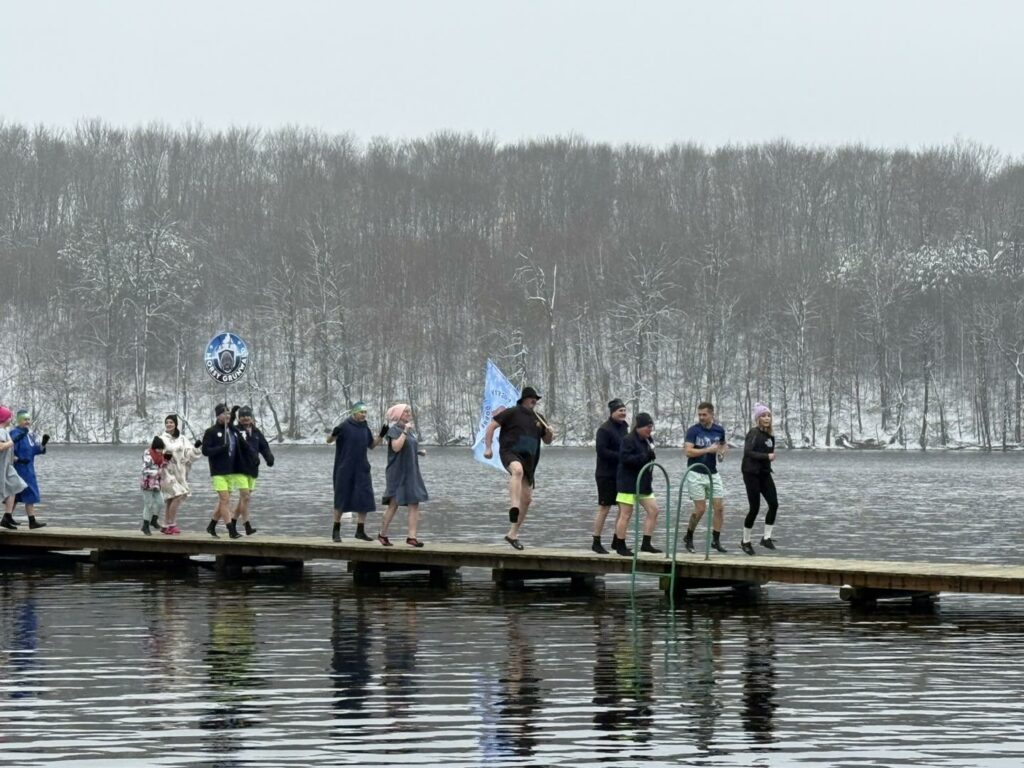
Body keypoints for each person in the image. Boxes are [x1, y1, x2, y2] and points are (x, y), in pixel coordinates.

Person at [482, 386, 555, 550]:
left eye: (536, 399)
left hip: (530, 460)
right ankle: (514, 506)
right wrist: (488, 447)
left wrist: (550, 432)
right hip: (510, 452)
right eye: (532, 398)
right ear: (524, 399)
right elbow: (491, 426)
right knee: (517, 470)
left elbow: (548, 440)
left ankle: (512, 534)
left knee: (528, 499)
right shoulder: (512, 412)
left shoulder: (539, 418)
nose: (534, 401)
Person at [327, 401, 383, 543]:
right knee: (341, 498)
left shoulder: (365, 428)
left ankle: (360, 531)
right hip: (345, 468)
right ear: (354, 413)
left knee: (364, 498)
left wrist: (382, 435)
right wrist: (333, 434)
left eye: (365, 412)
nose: (364, 415)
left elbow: (371, 445)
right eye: (361, 412)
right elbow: (329, 441)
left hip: (361, 468)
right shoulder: (345, 426)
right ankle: (336, 531)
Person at [378, 403, 429, 547]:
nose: (408, 413)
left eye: (409, 411)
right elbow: (396, 447)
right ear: (399, 415)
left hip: (411, 471)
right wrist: (405, 431)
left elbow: (408, 447)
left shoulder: (410, 431)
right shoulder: (394, 430)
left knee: (414, 502)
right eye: (405, 412)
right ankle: (382, 533)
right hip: (397, 472)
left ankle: (411, 537)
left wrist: (419, 452)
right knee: (394, 504)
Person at [612, 412, 661, 556]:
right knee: (626, 514)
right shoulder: (628, 440)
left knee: (654, 510)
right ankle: (620, 544)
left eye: (651, 427)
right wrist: (645, 456)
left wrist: (650, 455)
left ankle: (646, 543)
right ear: (639, 426)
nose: (649, 430)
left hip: (644, 482)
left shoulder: (648, 439)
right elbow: (625, 459)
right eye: (647, 427)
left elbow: (649, 456)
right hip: (627, 483)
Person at [682, 401, 728, 553]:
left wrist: (721, 453)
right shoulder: (693, 431)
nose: (701, 417)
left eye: (704, 414)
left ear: (711, 414)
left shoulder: (719, 430)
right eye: (699, 414)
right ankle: (689, 536)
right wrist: (708, 450)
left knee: (719, 508)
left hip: (712, 473)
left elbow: (722, 444)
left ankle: (716, 540)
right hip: (696, 472)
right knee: (700, 509)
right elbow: (688, 452)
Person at [741, 403, 778, 555]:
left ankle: (766, 537)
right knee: (754, 508)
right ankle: (745, 541)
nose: (766, 418)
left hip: (764, 473)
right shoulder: (753, 433)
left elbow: (767, 453)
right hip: (751, 473)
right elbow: (748, 452)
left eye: (768, 415)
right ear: (757, 419)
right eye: (763, 416)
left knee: (774, 504)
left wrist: (768, 461)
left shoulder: (770, 436)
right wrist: (766, 456)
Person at [591, 398, 628, 554]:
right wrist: (621, 456)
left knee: (623, 507)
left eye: (625, 411)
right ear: (613, 412)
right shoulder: (604, 430)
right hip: (605, 474)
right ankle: (596, 541)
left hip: (621, 474)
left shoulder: (624, 427)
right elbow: (601, 451)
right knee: (604, 507)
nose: (623, 413)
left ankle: (617, 540)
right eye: (620, 411)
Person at [232, 405, 274, 538]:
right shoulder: (235, 431)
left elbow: (264, 446)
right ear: (239, 418)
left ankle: (232, 523)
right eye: (242, 416)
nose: (245, 418)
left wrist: (269, 458)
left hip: (252, 468)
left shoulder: (256, 432)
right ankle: (247, 526)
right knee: (245, 496)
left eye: (247, 415)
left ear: (251, 417)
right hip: (238, 468)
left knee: (244, 499)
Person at [202, 404, 241, 538]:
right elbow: (205, 451)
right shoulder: (211, 431)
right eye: (224, 414)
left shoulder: (230, 430)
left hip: (231, 470)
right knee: (224, 499)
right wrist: (220, 448)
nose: (227, 416)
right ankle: (231, 530)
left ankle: (211, 526)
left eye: (229, 414)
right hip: (218, 471)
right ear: (218, 416)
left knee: (223, 501)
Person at [160, 414, 202, 535]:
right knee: (179, 494)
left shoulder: (182, 439)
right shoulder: (161, 438)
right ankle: (172, 524)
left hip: (179, 472)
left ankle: (165, 524)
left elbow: (189, 455)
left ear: (175, 424)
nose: (169, 424)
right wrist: (164, 458)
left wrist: (196, 447)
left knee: (171, 498)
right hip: (166, 472)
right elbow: (154, 452)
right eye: (167, 422)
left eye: (171, 422)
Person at [10, 410, 49, 529]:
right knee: (26, 494)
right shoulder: (14, 433)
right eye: (24, 419)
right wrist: (18, 460)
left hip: (29, 469)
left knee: (18, 495)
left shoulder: (29, 434)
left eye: (28, 419)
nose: (27, 422)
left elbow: (34, 450)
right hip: (19, 469)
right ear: (19, 420)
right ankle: (30, 521)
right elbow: (8, 451)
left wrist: (43, 444)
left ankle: (9, 518)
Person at [0, 406, 28, 530]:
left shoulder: (5, 431)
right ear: (4, 418)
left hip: (7, 465)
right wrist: (15, 440)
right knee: (11, 488)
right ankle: (7, 516)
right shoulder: (0, 431)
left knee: (16, 486)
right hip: (2, 466)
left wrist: (18, 459)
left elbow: (7, 450)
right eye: (9, 416)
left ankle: (7, 516)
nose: (11, 419)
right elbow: (1, 447)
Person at [140, 436, 168, 535]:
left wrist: (166, 461)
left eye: (162, 449)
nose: (160, 451)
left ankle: (154, 520)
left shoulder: (161, 455)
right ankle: (145, 525)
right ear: (155, 448)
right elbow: (145, 470)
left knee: (161, 503)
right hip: (147, 483)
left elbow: (162, 466)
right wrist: (157, 472)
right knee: (149, 504)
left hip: (156, 484)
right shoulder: (147, 454)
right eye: (159, 449)